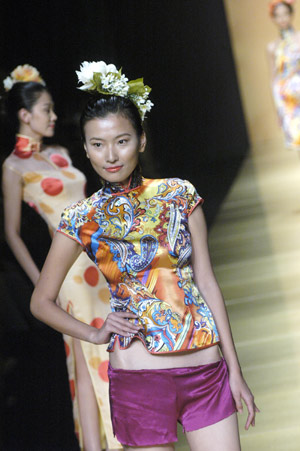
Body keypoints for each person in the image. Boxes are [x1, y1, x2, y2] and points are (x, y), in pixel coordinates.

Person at [31, 60, 259, 450]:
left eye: (122, 140)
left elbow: (206, 282)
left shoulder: (179, 195)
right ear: (85, 149)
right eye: (98, 144)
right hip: (139, 379)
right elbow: (41, 301)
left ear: (142, 139)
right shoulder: (82, 217)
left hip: (205, 371)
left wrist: (235, 371)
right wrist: (94, 332)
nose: (110, 155)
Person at [1, 64, 121, 450]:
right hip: (66, 272)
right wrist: (41, 282)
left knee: (88, 357)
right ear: (25, 114)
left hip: (98, 259)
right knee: (93, 349)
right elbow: (11, 232)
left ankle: (100, 441)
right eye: (46, 110)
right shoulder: (14, 166)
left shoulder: (59, 154)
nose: (53, 116)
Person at [267, 0, 300, 149]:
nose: (282, 19)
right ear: (273, 18)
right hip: (287, 100)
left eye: (285, 14)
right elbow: (273, 79)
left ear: (291, 14)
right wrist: (277, 110)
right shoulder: (272, 47)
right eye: (278, 16)